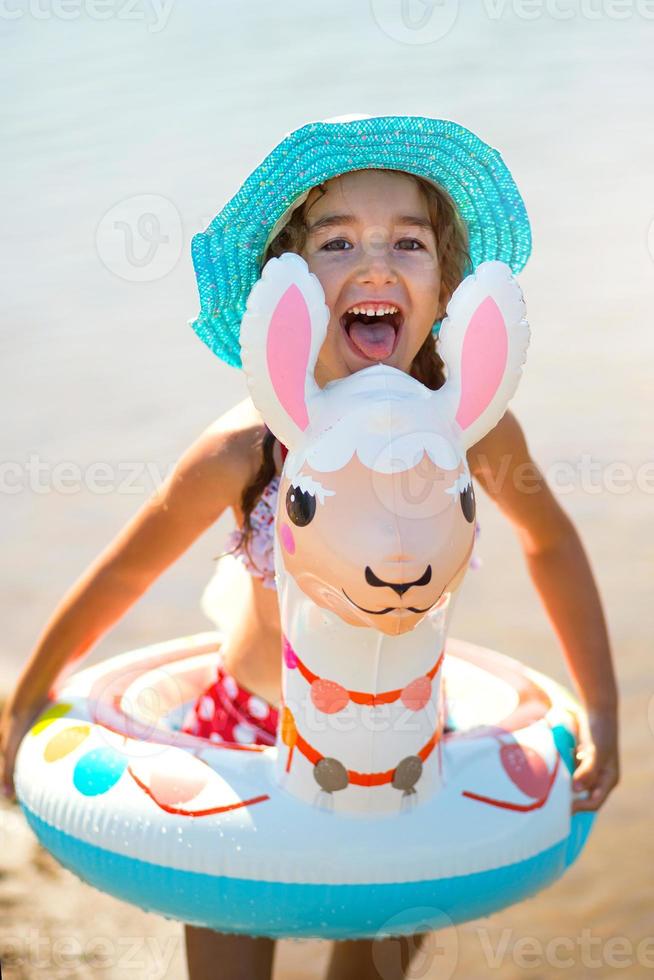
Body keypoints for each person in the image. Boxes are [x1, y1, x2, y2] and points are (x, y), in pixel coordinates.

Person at [1, 115, 619, 980]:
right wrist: (26, 697)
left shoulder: (471, 432)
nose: (375, 263)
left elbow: (551, 542)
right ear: (284, 296)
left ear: (446, 290)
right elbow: (127, 570)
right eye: (336, 243)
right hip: (246, 735)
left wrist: (601, 710)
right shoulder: (247, 448)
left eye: (409, 240)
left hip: (408, 748)